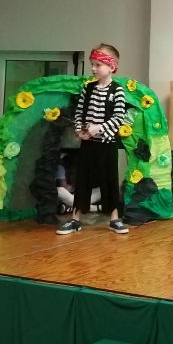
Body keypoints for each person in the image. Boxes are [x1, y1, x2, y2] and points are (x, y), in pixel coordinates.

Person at [56, 43, 128, 235]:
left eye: (98, 65)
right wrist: (79, 130)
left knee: (109, 180)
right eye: (92, 64)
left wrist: (99, 128)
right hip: (87, 144)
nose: (93, 68)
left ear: (111, 66)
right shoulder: (87, 89)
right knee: (83, 180)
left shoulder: (117, 90)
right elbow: (79, 114)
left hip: (107, 145)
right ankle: (75, 219)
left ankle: (114, 218)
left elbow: (118, 118)